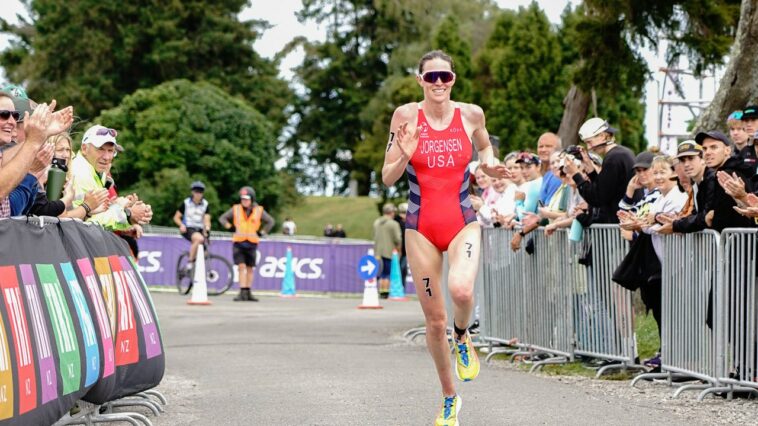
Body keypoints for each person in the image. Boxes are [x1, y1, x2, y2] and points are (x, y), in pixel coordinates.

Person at [380, 50, 510, 425]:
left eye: (445, 77)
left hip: (461, 218)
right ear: (420, 80)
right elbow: (387, 177)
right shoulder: (405, 116)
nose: (439, 83)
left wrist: (489, 163)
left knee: (462, 292)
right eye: (431, 77)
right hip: (420, 225)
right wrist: (404, 155)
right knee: (434, 321)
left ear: (453, 79)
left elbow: (484, 146)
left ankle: (463, 335)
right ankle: (449, 397)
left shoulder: (471, 114)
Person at [71, 125, 152, 230]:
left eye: (111, 151)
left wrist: (122, 206)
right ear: (84, 148)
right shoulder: (80, 173)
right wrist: (127, 214)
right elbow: (87, 222)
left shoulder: (94, 170)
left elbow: (92, 213)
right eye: (100, 149)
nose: (107, 157)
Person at [563, 117, 636, 224]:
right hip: (623, 223)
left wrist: (575, 173)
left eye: (589, 142)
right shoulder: (622, 153)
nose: (589, 147)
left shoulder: (613, 158)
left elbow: (597, 198)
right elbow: (604, 188)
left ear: (602, 136)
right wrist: (590, 169)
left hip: (620, 226)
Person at [219, 186, 275, 302]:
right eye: (242, 199)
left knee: (250, 268)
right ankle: (242, 290)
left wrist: (262, 232)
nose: (244, 201)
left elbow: (270, 221)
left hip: (252, 243)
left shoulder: (258, 210)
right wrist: (230, 227)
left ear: (252, 199)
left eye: (247, 199)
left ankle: (248, 291)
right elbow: (222, 218)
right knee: (241, 267)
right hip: (239, 242)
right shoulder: (236, 209)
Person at [174, 181, 212, 272]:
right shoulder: (186, 203)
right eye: (196, 191)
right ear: (193, 192)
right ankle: (190, 262)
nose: (198, 194)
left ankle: (195, 269)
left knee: (205, 252)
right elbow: (176, 217)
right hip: (188, 228)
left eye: (200, 192)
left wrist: (207, 228)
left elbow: (207, 219)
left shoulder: (205, 204)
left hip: (199, 229)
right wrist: (181, 224)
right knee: (199, 239)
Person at [373, 203, 402, 298]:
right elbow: (398, 239)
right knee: (386, 272)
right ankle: (385, 293)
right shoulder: (393, 224)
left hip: (377, 252)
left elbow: (374, 236)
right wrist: (398, 249)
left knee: (379, 272)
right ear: (391, 212)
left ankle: (380, 291)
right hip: (388, 252)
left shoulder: (376, 222)